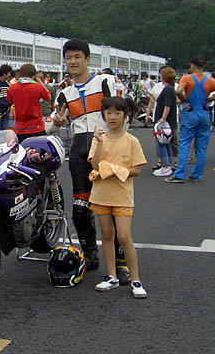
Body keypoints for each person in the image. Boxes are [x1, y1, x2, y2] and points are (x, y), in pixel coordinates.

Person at [52, 39, 127, 276]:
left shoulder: (105, 82)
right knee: (81, 209)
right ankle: (90, 254)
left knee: (113, 209)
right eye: (68, 58)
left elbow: (122, 113)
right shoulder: (64, 93)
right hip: (78, 150)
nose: (73, 62)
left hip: (105, 148)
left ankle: (121, 262)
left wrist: (120, 146)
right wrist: (56, 122)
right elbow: (53, 123)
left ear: (87, 59)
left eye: (77, 57)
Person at [88, 96, 147, 298]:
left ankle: (136, 279)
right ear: (103, 115)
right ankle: (111, 276)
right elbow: (95, 165)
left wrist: (116, 170)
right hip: (101, 194)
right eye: (109, 112)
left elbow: (137, 170)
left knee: (124, 237)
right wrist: (98, 142)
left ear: (125, 116)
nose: (112, 117)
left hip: (122, 195)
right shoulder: (99, 138)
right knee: (106, 235)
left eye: (117, 113)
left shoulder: (132, 141)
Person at [166, 57, 215, 183]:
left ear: (193, 66)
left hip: (190, 113)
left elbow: (178, 91)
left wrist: (184, 100)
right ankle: (196, 175)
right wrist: (210, 99)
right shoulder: (210, 80)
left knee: (184, 144)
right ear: (203, 67)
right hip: (204, 113)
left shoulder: (187, 78)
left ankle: (180, 175)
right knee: (201, 147)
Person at [7, 64, 51, 143]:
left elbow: (10, 101)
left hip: (20, 128)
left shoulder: (12, 88)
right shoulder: (37, 87)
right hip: (36, 127)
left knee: (23, 149)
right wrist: (39, 81)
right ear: (33, 75)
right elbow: (48, 97)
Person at [152, 67, 178, 177]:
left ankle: (165, 166)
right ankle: (168, 164)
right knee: (166, 143)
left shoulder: (167, 89)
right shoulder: (170, 88)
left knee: (161, 143)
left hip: (165, 122)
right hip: (168, 121)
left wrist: (163, 118)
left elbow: (167, 105)